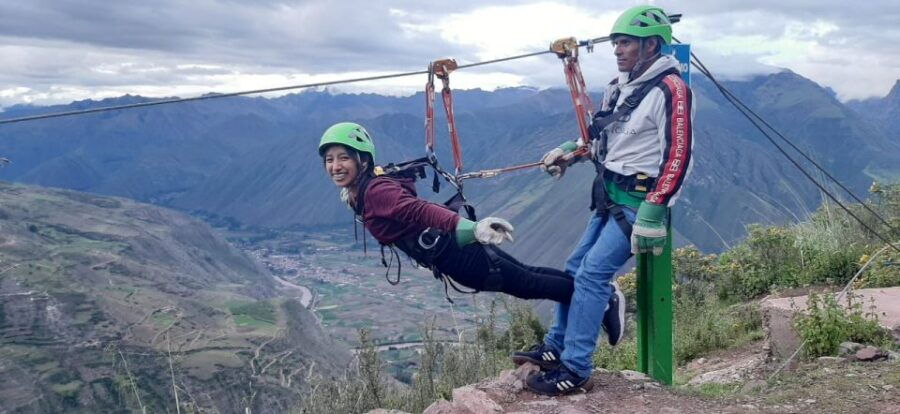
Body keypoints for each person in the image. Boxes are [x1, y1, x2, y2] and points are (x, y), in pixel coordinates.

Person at [515, 5, 695, 395]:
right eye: (616, 42)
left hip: (636, 202)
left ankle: (576, 367)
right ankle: (556, 346)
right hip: (609, 194)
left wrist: (654, 208)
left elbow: (678, 153)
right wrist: (568, 151)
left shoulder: (672, 90)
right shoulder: (620, 86)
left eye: (626, 42)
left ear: (652, 45)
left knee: (593, 274)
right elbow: (603, 134)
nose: (618, 49)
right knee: (573, 267)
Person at [320, 121, 628, 308]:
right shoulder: (362, 188)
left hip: (452, 251)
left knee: (525, 284)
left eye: (343, 158)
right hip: (448, 243)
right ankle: (594, 294)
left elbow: (416, 209)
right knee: (526, 275)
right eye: (330, 160)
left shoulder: (374, 191)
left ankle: (600, 300)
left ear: (362, 160)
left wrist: (468, 228)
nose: (335, 166)